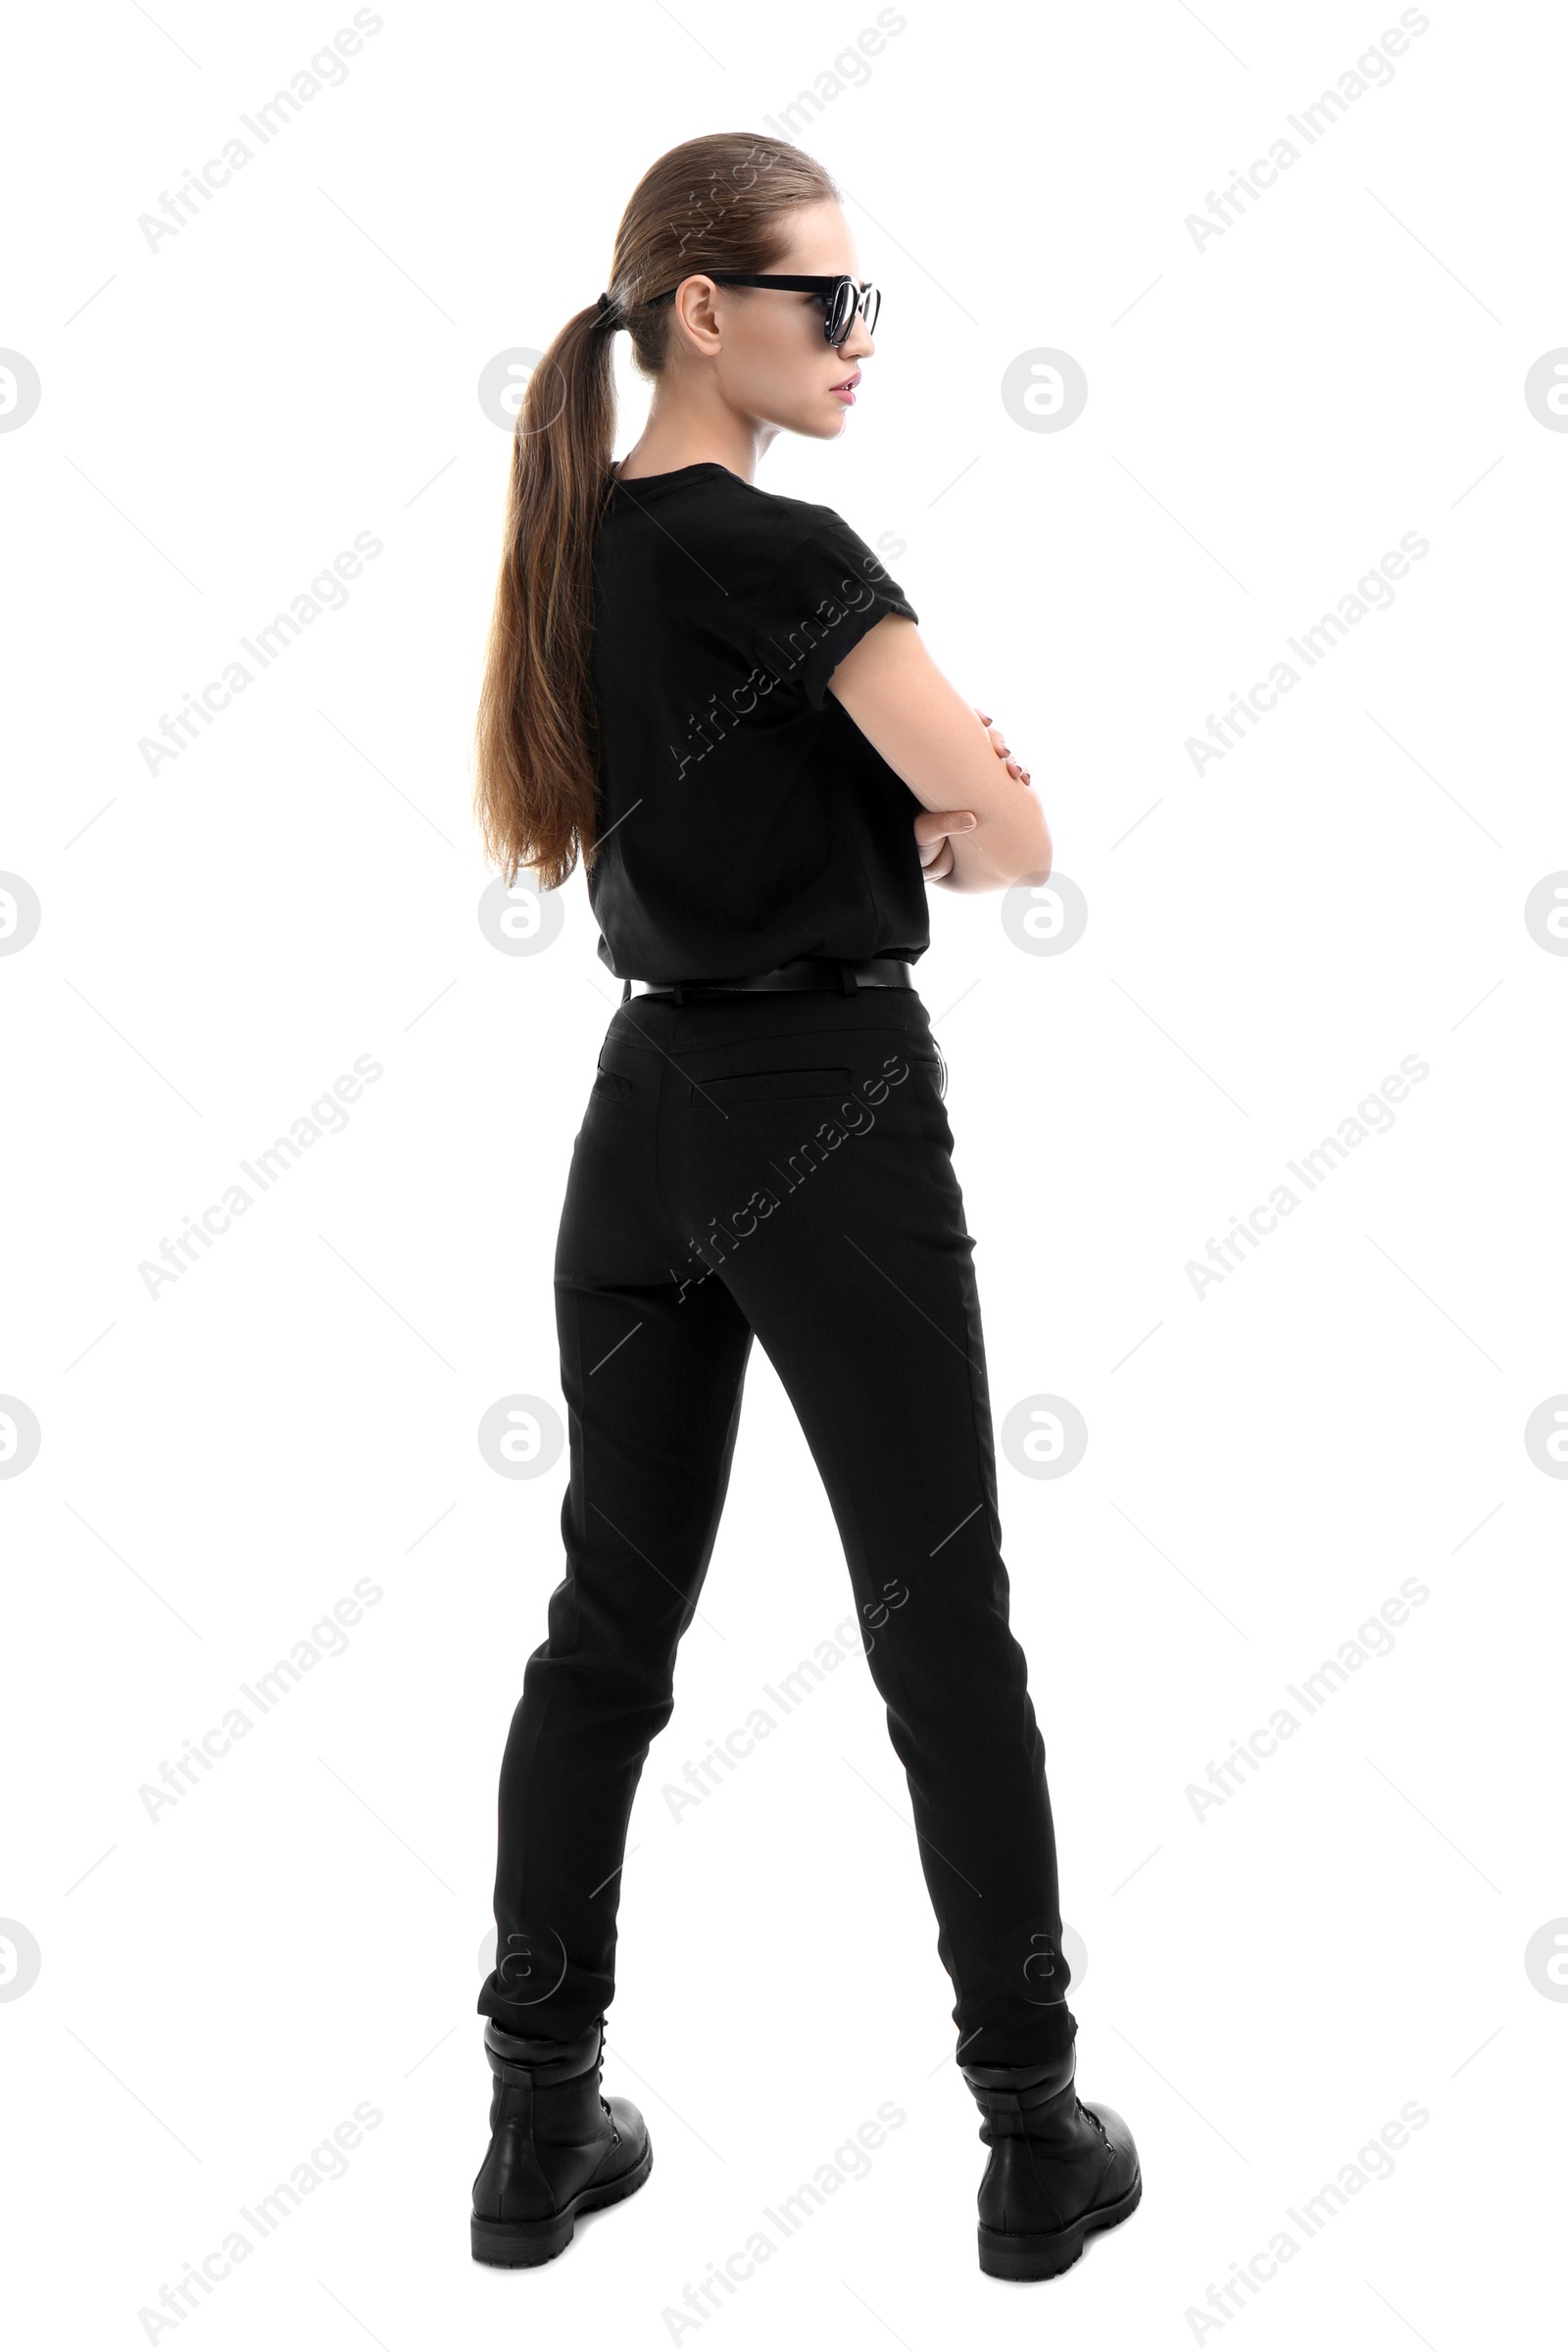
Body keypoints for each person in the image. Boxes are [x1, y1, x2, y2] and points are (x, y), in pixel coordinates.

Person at [466, 129, 1140, 2282]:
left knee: (603, 1635)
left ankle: (531, 2135)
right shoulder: (781, 548)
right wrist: (955, 807)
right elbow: (1010, 832)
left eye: (864, 301)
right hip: (823, 1107)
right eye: (822, 299)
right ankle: (1032, 2139)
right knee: (941, 1628)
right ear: (701, 313)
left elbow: (877, 791)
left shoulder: (574, 553)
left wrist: (925, 795)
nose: (857, 339)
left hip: (640, 1111)